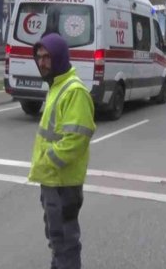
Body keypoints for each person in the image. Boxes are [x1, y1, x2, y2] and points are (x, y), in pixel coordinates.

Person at [29, 33, 96, 269]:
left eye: (47, 57)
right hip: (53, 181)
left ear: (59, 57)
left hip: (62, 183)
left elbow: (76, 139)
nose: (42, 62)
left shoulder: (73, 90)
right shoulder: (57, 86)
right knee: (57, 239)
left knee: (65, 241)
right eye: (39, 57)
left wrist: (49, 161)